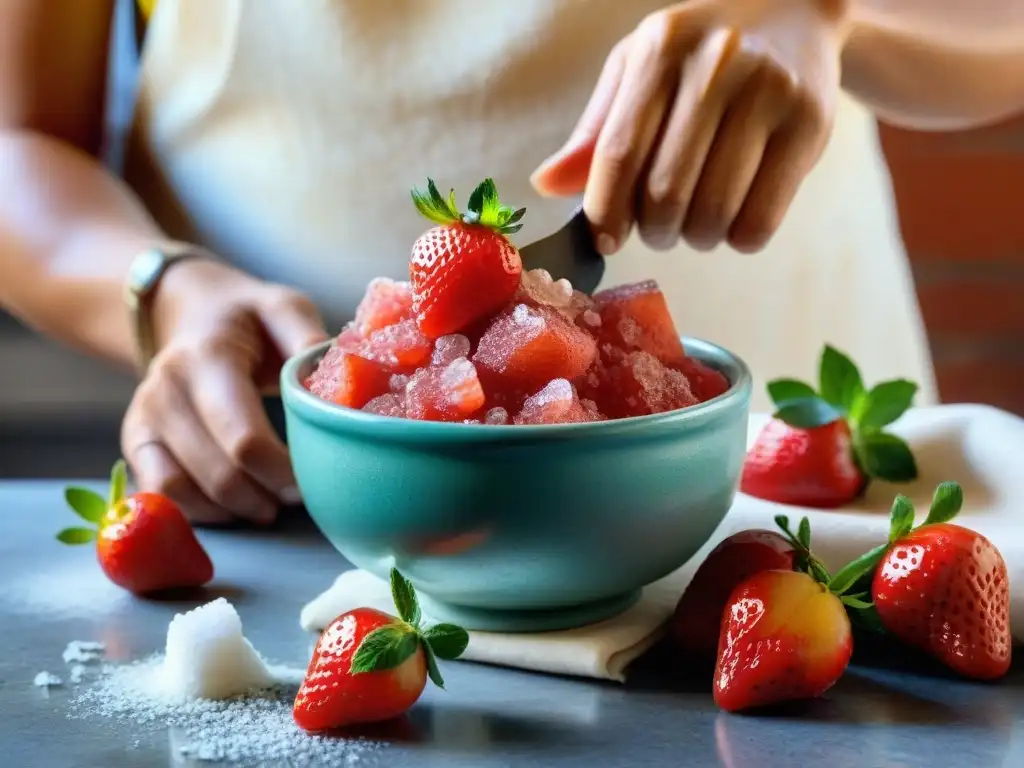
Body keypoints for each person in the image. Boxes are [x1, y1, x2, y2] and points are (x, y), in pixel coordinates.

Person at [1, 0, 1022, 525]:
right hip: (308, 506)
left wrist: (820, 11)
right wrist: (162, 289)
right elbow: (20, 144)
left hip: (804, 507)